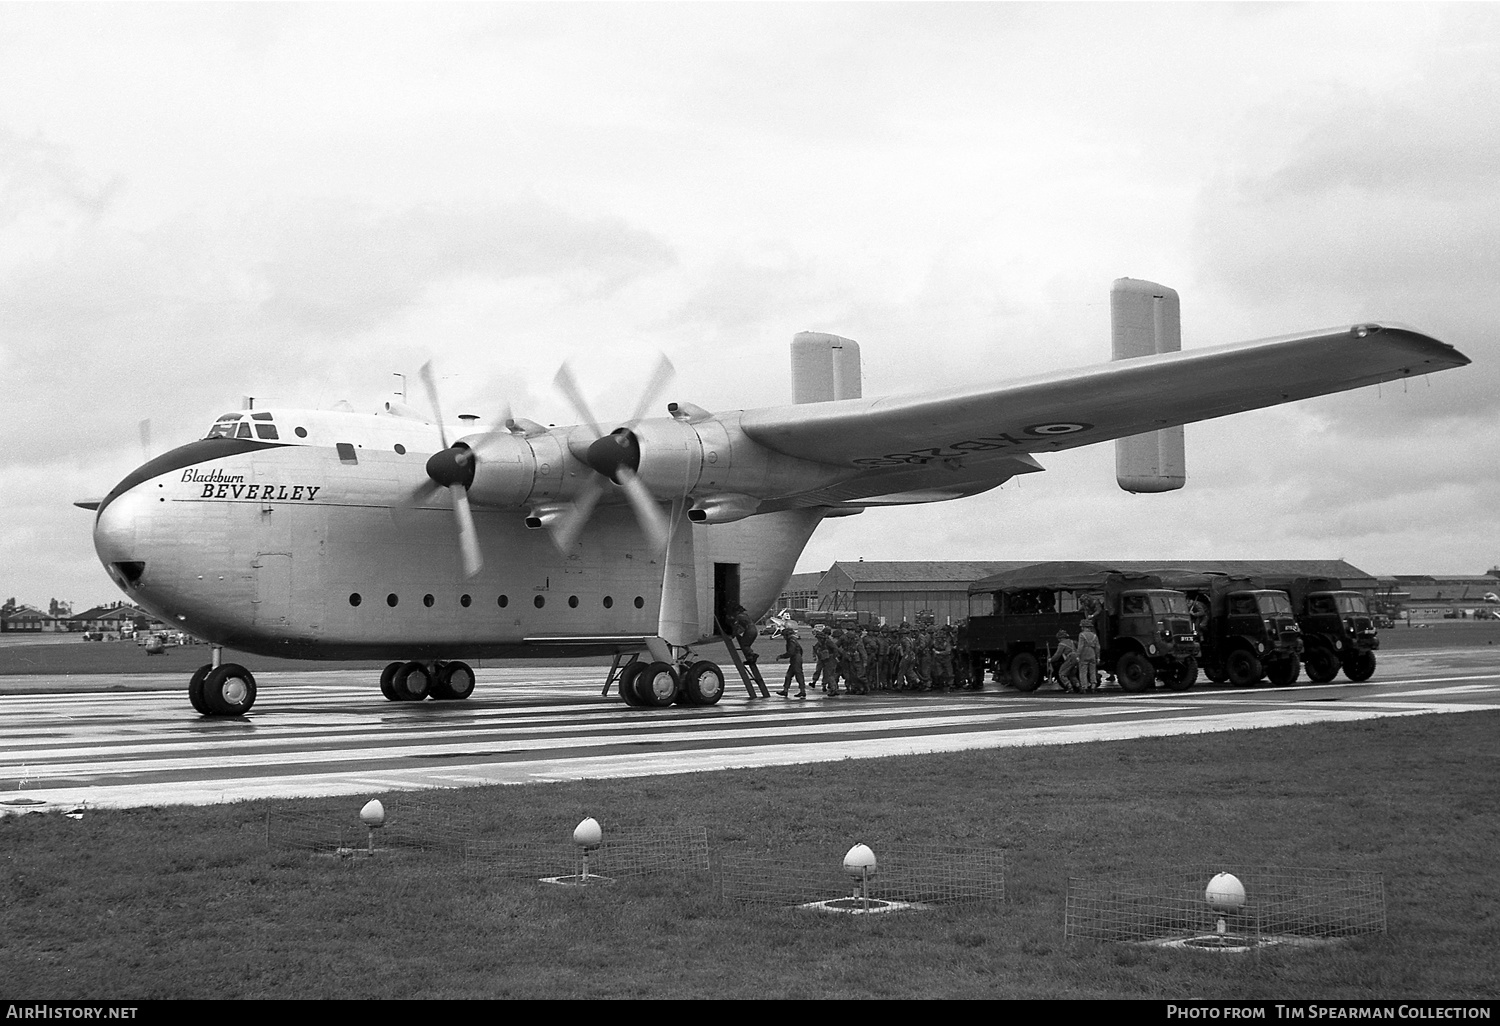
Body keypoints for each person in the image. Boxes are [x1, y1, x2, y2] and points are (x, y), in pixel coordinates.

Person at [776, 626, 807, 699]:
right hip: (796, 659)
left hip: (795, 659)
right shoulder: (793, 640)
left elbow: (791, 652)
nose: (783, 637)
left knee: (798, 675)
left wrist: (781, 656)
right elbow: (800, 650)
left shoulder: (791, 641)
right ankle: (785, 690)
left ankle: (802, 691)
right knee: (788, 675)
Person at [1077, 620, 1101, 692]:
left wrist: (1078, 655)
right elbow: (1098, 647)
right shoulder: (1094, 635)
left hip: (1084, 653)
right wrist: (1098, 657)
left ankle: (1084, 686)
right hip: (1092, 653)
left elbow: (1080, 646)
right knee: (1092, 671)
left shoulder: (1082, 635)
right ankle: (1093, 685)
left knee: (1083, 671)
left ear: (1084, 627)